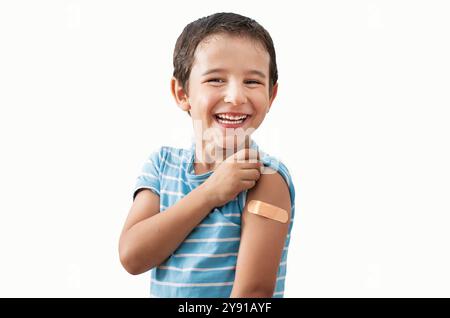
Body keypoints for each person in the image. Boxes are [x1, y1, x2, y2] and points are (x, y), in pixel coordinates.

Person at [119, 12, 296, 298]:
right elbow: (132, 255)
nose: (236, 96)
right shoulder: (161, 166)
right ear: (181, 92)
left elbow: (254, 293)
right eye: (215, 80)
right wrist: (210, 193)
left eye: (252, 82)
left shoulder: (266, 179)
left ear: (271, 95)